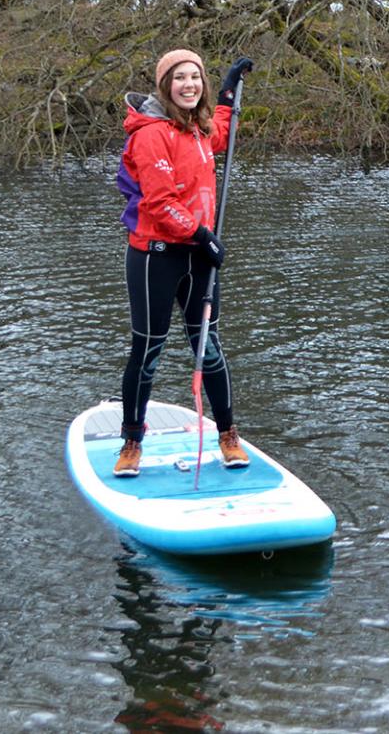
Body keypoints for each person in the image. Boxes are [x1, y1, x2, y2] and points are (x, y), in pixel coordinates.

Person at [112, 49, 253, 477]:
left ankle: (228, 434)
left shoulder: (197, 129)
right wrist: (201, 235)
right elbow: (159, 200)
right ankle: (132, 441)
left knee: (208, 348)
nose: (189, 84)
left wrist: (228, 93)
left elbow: (220, 136)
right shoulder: (150, 133)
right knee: (148, 350)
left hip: (199, 258)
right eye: (179, 78)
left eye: (196, 77)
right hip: (156, 257)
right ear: (165, 86)